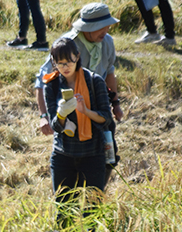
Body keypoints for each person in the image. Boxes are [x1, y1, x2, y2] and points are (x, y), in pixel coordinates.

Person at [43, 37, 113, 232]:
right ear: (54, 62)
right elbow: (55, 126)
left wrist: (85, 112)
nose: (65, 67)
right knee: (63, 207)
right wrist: (61, 114)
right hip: (63, 154)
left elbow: (106, 119)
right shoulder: (52, 83)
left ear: (78, 58)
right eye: (60, 63)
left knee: (92, 208)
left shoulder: (94, 81)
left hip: (92, 153)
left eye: (69, 62)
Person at [35, 3, 123, 140]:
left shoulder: (107, 42)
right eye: (101, 27)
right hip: (71, 114)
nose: (105, 31)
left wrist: (115, 103)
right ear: (88, 28)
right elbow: (43, 79)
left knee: (108, 152)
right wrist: (44, 116)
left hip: (98, 111)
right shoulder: (67, 45)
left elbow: (109, 73)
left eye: (107, 26)